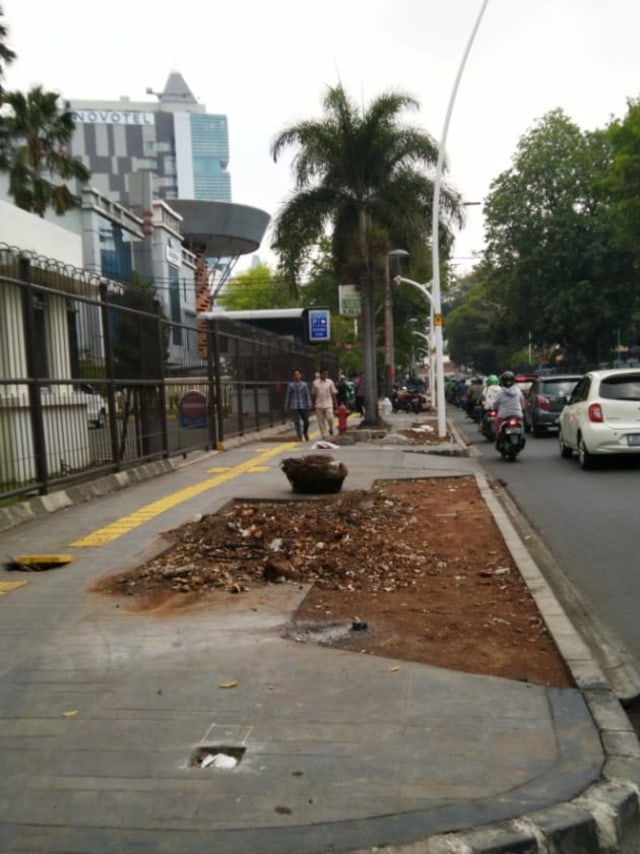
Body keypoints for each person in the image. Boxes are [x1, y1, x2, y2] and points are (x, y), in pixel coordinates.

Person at [493, 370, 525, 443]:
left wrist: (494, 408)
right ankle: (521, 436)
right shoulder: (518, 390)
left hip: (503, 415)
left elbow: (495, 404)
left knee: (497, 424)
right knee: (521, 424)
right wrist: (522, 409)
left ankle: (498, 439)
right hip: (517, 414)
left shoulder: (501, 392)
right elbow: (522, 401)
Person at [284, 369, 311, 441]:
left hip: (303, 405)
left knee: (306, 421)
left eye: (298, 374)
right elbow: (288, 396)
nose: (297, 376)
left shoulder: (304, 385)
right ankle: (299, 436)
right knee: (296, 422)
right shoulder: (291, 385)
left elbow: (307, 395)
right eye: (295, 374)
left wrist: (309, 403)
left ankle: (305, 432)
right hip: (294, 405)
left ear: (300, 375)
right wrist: (286, 405)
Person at [312, 367, 338, 439]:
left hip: (328, 404)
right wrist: (313, 404)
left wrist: (335, 403)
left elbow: (333, 393)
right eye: (324, 374)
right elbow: (313, 394)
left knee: (330, 418)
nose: (325, 375)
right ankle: (324, 434)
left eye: (326, 374)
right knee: (321, 421)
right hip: (319, 404)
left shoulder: (330, 382)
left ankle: (331, 428)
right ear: (321, 374)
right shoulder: (315, 383)